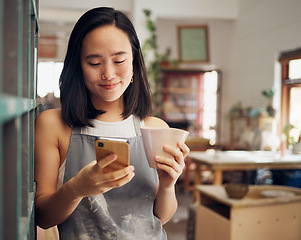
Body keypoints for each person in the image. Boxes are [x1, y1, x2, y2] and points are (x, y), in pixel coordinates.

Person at [34, 7, 190, 239]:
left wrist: (168, 185)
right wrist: (76, 189)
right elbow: (43, 217)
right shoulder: (53, 125)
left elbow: (161, 218)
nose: (108, 73)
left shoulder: (155, 128)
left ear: (135, 61)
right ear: (78, 66)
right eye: (95, 63)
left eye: (119, 60)